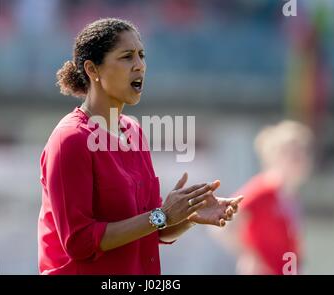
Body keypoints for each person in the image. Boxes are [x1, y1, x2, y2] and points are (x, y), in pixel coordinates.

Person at [37, 18, 243, 275]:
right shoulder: (71, 140)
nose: (140, 66)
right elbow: (79, 242)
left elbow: (151, 227)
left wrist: (188, 214)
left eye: (142, 55)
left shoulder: (134, 132)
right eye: (126, 57)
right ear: (92, 70)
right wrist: (162, 215)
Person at [208, 120, 314, 275]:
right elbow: (220, 225)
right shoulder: (263, 191)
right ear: (275, 155)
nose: (299, 158)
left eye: (302, 152)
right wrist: (249, 255)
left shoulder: (291, 197)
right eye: (292, 152)